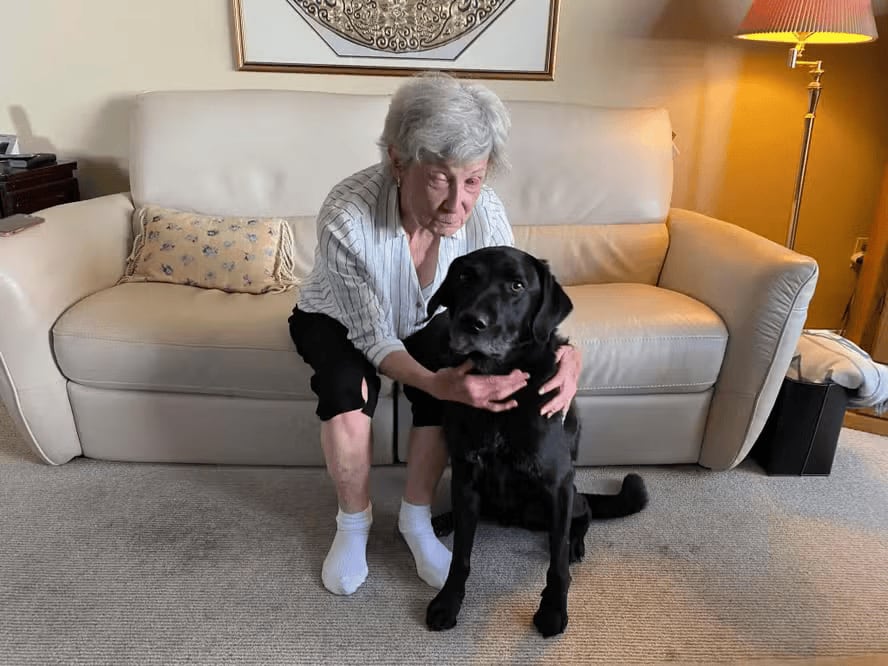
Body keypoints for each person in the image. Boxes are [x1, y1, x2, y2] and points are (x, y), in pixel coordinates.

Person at [288, 72, 582, 596]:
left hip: (427, 318)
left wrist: (569, 353)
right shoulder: (347, 212)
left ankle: (415, 518)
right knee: (345, 389)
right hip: (338, 318)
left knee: (450, 378)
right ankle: (352, 525)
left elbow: (515, 307)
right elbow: (375, 337)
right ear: (398, 161)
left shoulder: (485, 209)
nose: (458, 202)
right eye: (440, 178)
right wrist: (434, 380)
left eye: (472, 179)